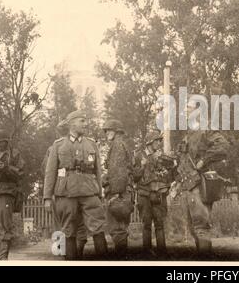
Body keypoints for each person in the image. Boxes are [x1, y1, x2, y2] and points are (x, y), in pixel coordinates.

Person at [43, 110, 108, 260]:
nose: (86, 124)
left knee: (97, 227)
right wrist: (47, 197)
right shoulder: (58, 145)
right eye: (82, 121)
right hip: (66, 192)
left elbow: (98, 170)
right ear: (72, 123)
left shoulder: (91, 144)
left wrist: (100, 193)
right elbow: (50, 172)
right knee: (68, 230)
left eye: (86, 121)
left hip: (89, 191)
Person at [174, 113, 230, 254]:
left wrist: (204, 160)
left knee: (201, 227)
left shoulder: (206, 130)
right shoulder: (188, 136)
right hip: (188, 186)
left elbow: (223, 145)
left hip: (199, 185)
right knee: (193, 227)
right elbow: (183, 161)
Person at [41, 120, 88, 259]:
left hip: (60, 192)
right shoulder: (58, 147)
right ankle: (72, 254)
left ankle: (62, 255)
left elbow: (45, 171)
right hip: (69, 191)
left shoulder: (54, 147)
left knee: (61, 226)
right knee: (78, 224)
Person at [133, 131, 176, 256]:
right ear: (149, 142)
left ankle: (162, 251)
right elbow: (134, 177)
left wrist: (169, 164)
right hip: (144, 194)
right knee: (146, 224)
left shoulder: (161, 156)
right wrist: (142, 166)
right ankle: (146, 252)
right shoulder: (138, 156)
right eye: (156, 141)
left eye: (159, 141)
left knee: (159, 223)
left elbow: (169, 172)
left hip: (158, 193)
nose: (159, 143)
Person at [0, 129, 25, 260]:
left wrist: (5, 167)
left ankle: (3, 258)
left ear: (6, 142)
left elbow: (20, 174)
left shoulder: (15, 154)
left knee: (5, 225)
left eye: (1, 142)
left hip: (7, 191)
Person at [101, 119, 134, 258]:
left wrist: (114, 194)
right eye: (106, 130)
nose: (107, 133)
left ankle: (121, 259)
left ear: (116, 131)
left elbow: (118, 172)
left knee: (117, 229)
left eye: (109, 130)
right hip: (123, 192)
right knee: (120, 229)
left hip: (118, 193)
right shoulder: (121, 145)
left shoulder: (118, 146)